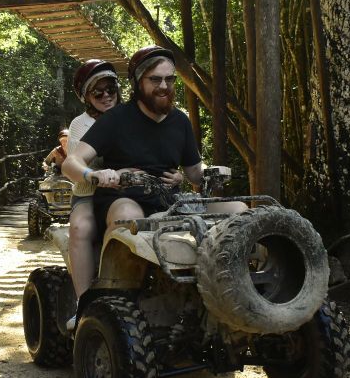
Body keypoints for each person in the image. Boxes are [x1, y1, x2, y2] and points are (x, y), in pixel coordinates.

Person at [63, 45, 245, 241]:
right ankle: (114, 271)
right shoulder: (115, 118)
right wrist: (94, 175)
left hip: (171, 203)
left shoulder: (180, 121)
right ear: (138, 82)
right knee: (128, 218)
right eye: (155, 79)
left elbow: (195, 175)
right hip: (125, 199)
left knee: (241, 211)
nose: (164, 86)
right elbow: (71, 162)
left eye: (170, 79)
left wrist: (211, 172)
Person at [65, 59, 121, 298]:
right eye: (98, 92)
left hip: (130, 191)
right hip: (90, 192)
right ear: (86, 96)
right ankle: (84, 302)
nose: (106, 96)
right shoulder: (81, 124)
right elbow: (76, 162)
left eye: (111, 89)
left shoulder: (133, 116)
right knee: (80, 227)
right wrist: (95, 174)